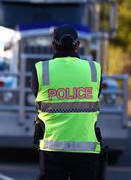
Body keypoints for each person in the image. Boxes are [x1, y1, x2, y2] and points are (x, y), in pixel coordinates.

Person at [31, 24, 103, 180]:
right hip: (87, 150)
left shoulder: (42, 70)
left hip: (52, 150)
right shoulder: (94, 69)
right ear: (78, 45)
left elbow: (36, 92)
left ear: (53, 46)